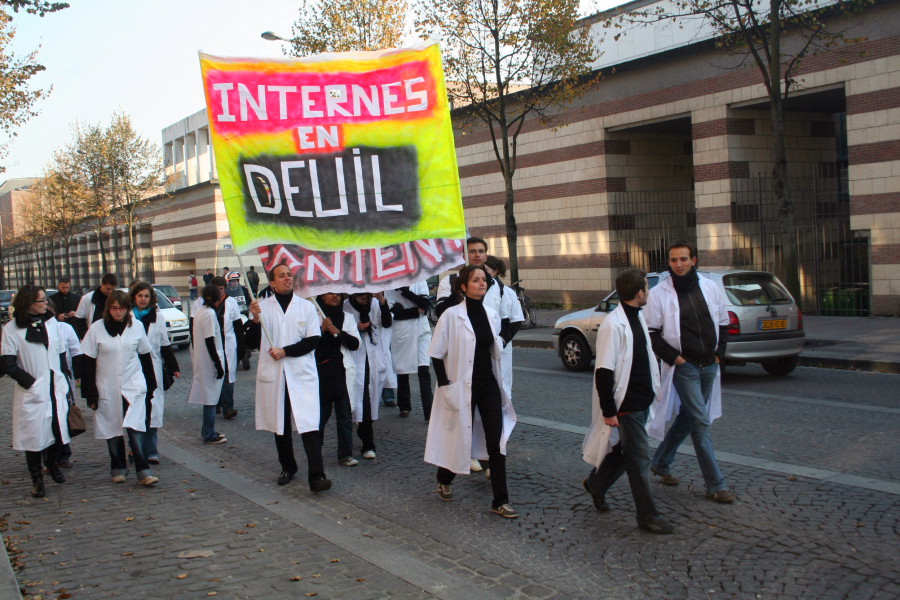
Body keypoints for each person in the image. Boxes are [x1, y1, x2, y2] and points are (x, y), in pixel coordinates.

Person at [581, 269, 673, 534]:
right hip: (627, 404)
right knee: (639, 460)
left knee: (625, 452)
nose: (649, 292)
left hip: (642, 399)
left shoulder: (637, 316)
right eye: (647, 287)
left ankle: (596, 484)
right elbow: (604, 370)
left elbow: (642, 356)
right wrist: (609, 410)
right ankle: (648, 516)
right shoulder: (613, 324)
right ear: (640, 293)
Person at [425, 265, 518, 519]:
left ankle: (501, 500)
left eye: (484, 279)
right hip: (460, 386)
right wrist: (445, 386)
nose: (482, 283)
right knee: (459, 439)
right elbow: (435, 354)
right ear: (463, 287)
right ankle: (444, 477)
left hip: (487, 384)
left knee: (496, 441)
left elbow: (493, 348)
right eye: (476, 280)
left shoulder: (491, 314)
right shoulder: (451, 316)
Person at [645, 240, 734, 504]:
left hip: (710, 364)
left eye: (683, 259)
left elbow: (723, 321)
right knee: (700, 421)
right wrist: (677, 360)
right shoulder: (659, 293)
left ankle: (661, 461)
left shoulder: (710, 287)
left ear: (693, 260)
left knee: (689, 416)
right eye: (673, 260)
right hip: (686, 368)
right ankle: (716, 484)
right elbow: (652, 333)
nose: (678, 265)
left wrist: (720, 353)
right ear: (669, 263)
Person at [246, 264, 331, 492]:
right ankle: (288, 466)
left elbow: (313, 340)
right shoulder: (262, 308)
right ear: (272, 283)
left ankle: (317, 475)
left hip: (301, 375)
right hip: (276, 377)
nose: (287, 279)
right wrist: (254, 320)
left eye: (289, 275)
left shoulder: (306, 307)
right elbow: (251, 343)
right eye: (281, 276)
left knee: (309, 425)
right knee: (280, 425)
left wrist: (285, 351)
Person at [80, 290, 159, 486]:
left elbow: (145, 356)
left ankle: (142, 468)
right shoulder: (97, 329)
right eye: (114, 308)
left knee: (135, 427)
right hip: (107, 385)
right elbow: (87, 362)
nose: (118, 312)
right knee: (112, 428)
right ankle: (118, 466)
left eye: (122, 308)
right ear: (108, 308)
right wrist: (90, 392)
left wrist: (151, 386)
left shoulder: (137, 327)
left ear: (127, 308)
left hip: (133, 384)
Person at [1, 285, 71, 498]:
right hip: (33, 389)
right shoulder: (12, 330)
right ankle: (36, 478)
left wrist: (64, 378)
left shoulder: (51, 323)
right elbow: (8, 363)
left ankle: (52, 463)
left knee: (55, 429)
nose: (46, 304)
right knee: (34, 436)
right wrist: (31, 383)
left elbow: (59, 352)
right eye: (41, 300)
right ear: (29, 303)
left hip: (55, 386)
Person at [130, 282, 181, 464]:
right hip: (133, 369)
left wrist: (174, 367)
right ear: (134, 297)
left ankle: (151, 450)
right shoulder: (128, 317)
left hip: (152, 367)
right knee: (135, 409)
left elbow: (164, 343)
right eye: (140, 296)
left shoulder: (157, 316)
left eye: (146, 296)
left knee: (153, 409)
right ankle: (135, 448)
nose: (143, 299)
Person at [315, 292, 361, 466]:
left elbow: (355, 344)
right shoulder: (315, 316)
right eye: (330, 294)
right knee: (321, 415)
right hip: (323, 372)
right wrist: (322, 330)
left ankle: (346, 454)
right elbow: (310, 344)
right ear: (322, 296)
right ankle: (315, 451)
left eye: (338, 294)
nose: (335, 297)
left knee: (344, 414)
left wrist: (338, 332)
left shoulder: (347, 317)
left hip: (342, 371)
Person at [344, 292, 392, 460]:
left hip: (373, 359)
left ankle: (365, 435)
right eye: (361, 295)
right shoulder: (345, 307)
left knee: (369, 403)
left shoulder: (375, 304)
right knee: (360, 401)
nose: (365, 298)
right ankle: (367, 444)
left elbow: (386, 323)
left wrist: (382, 300)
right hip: (355, 361)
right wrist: (355, 328)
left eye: (368, 295)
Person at [385, 281, 433, 420]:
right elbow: (396, 313)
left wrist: (406, 292)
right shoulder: (390, 287)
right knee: (403, 370)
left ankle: (428, 410)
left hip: (421, 331)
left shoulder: (420, 281)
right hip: (402, 331)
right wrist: (416, 310)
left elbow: (425, 304)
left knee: (424, 369)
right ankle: (404, 405)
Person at [187, 285, 227, 445]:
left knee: (208, 398)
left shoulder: (200, 312)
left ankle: (207, 430)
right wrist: (218, 364)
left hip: (203, 361)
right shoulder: (209, 314)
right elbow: (210, 340)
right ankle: (209, 433)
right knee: (210, 399)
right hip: (209, 363)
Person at [484, 256, 525, 401]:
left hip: (501, 347)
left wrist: (502, 340)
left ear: (495, 271)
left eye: (486, 270)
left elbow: (516, 320)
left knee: (502, 383)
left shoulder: (507, 292)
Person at [210, 275, 244, 419]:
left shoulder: (231, 303)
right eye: (216, 289)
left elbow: (238, 327)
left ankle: (228, 407)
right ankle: (214, 404)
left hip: (228, 345)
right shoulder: (203, 303)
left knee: (228, 377)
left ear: (225, 288)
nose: (219, 292)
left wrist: (241, 347)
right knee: (213, 375)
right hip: (211, 345)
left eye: (221, 289)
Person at [73, 273, 117, 339]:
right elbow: (79, 320)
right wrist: (86, 336)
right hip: (92, 336)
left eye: (112, 290)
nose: (110, 292)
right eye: (108, 289)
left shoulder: (116, 299)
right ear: (102, 284)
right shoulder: (87, 298)